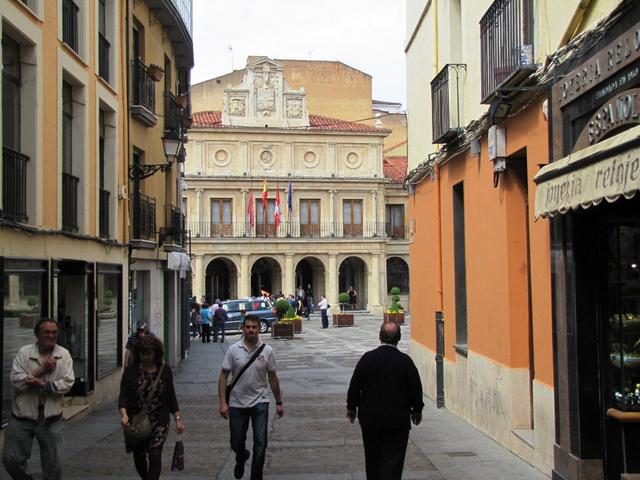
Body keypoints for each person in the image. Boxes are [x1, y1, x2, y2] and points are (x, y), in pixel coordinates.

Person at [346, 322, 424, 480]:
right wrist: (417, 410)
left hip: (370, 418)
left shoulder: (368, 358)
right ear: (399, 338)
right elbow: (416, 387)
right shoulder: (405, 361)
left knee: (372, 457)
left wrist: (351, 407)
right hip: (397, 419)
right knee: (394, 460)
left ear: (380, 337)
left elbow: (355, 385)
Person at [2, 318, 75, 480]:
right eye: (47, 332)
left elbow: (68, 383)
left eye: (54, 332)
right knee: (10, 459)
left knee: (53, 466)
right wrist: (42, 369)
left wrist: (43, 385)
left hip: (51, 417)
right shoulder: (25, 353)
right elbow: (16, 382)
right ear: (37, 335)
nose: (51, 336)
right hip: (22, 416)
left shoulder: (63, 355)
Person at [218, 315, 284, 480]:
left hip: (260, 402)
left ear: (259, 328)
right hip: (236, 403)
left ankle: (256, 476)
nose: (251, 330)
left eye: (254, 327)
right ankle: (241, 457)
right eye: (248, 327)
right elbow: (223, 377)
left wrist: (279, 401)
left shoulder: (267, 350)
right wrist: (222, 402)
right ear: (242, 328)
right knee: (236, 442)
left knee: (261, 443)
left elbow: (273, 377)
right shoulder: (233, 349)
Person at [119, 335, 184, 480]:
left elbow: (171, 397)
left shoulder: (164, 370)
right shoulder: (131, 372)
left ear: (156, 353)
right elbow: (123, 396)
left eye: (149, 353)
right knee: (139, 457)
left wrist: (178, 419)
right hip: (137, 421)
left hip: (159, 421)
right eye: (143, 353)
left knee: (155, 454)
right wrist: (124, 415)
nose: (146, 357)